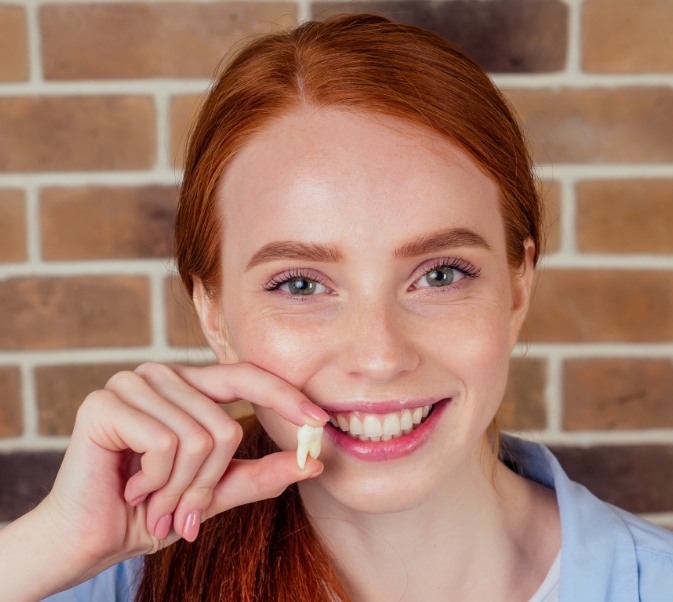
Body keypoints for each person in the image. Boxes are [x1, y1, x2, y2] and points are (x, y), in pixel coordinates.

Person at [2, 13, 672, 602]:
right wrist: (53, 546)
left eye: (439, 274)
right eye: (300, 285)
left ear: (517, 286)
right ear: (212, 311)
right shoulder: (92, 579)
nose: (379, 355)